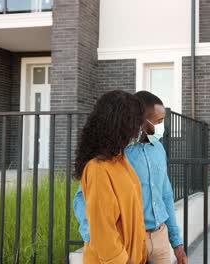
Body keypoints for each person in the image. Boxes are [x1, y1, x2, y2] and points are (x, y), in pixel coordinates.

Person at [74, 91, 188, 264]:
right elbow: (90, 210)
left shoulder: (143, 154)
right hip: (124, 248)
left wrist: (176, 242)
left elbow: (165, 194)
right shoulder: (104, 163)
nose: (162, 127)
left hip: (152, 240)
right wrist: (100, 241)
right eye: (158, 122)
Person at [75, 90, 147, 264]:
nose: (137, 130)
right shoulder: (98, 169)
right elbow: (103, 230)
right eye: (134, 124)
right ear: (119, 126)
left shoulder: (121, 160)